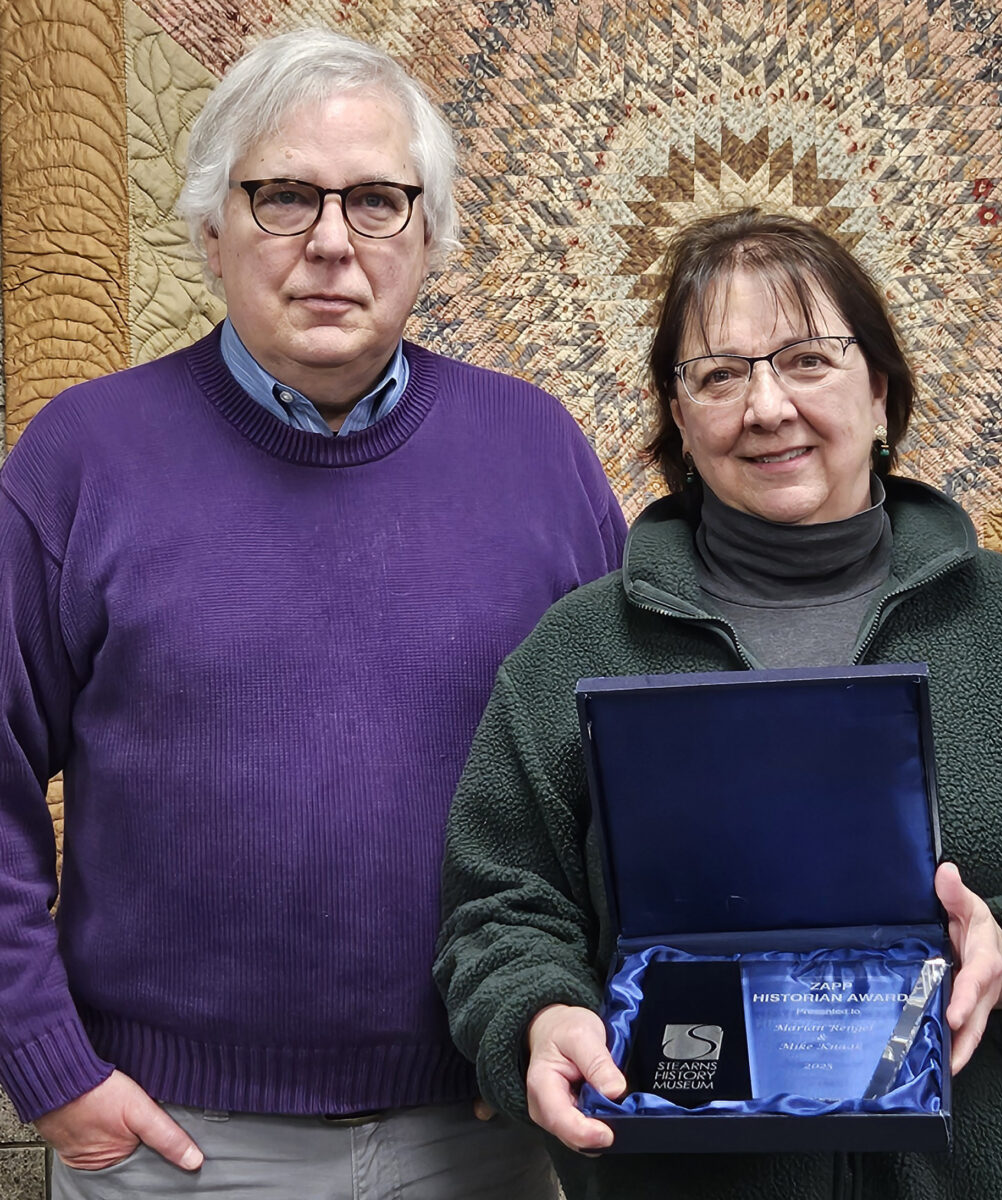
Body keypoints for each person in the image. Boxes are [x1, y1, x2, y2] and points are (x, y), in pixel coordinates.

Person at [0, 27, 625, 1200]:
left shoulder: (537, 452)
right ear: (208, 232)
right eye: (284, 196)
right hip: (175, 1143)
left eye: (378, 201)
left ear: (429, 237)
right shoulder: (79, 460)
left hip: (483, 1130)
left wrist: (543, 1016)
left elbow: (627, 777)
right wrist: (47, 1065)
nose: (332, 242)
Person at [435, 208, 1002, 1199]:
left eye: (804, 360)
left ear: (877, 389)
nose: (765, 406)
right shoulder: (574, 652)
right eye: (717, 375)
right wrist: (538, 1018)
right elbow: (499, 908)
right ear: (678, 415)